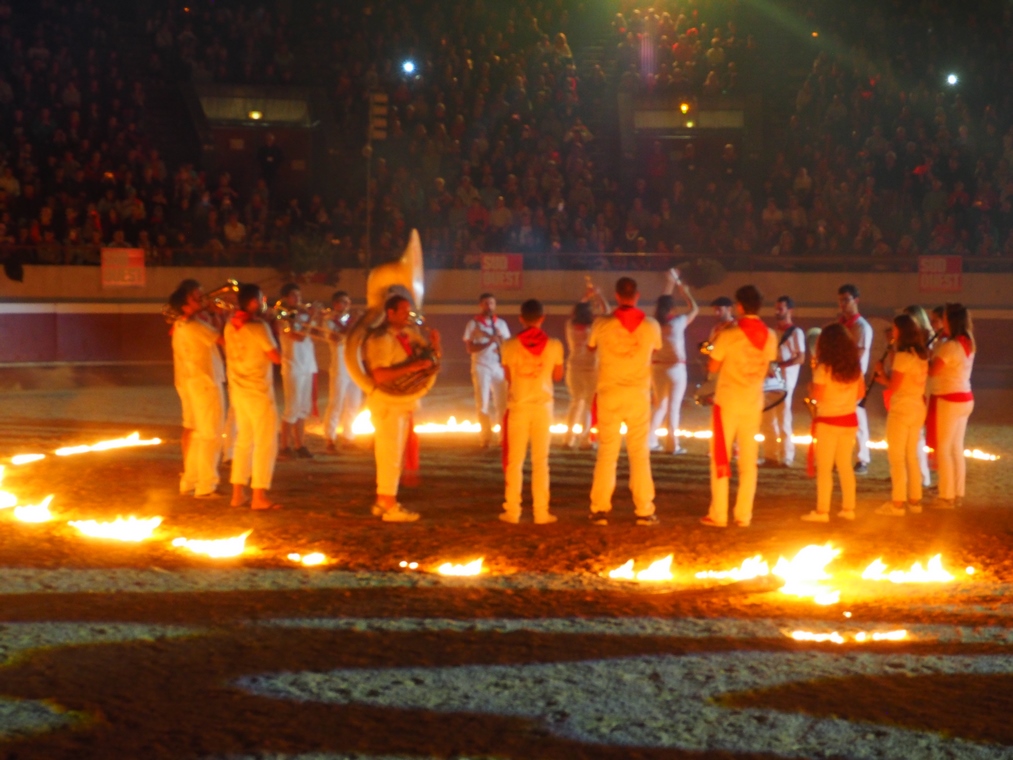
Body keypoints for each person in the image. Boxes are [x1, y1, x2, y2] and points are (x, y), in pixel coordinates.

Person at [587, 277, 662, 526]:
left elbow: (590, 347)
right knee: (639, 454)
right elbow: (655, 350)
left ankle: (599, 509)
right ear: (637, 295)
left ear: (617, 296)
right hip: (638, 395)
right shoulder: (651, 325)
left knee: (607, 453)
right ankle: (644, 510)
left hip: (609, 393)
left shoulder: (602, 323)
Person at [700, 285, 777, 528]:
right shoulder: (770, 335)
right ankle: (744, 514)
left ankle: (719, 513)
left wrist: (712, 351)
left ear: (740, 306)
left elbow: (713, 366)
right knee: (748, 461)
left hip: (728, 401)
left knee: (720, 457)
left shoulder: (729, 333)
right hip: (753, 402)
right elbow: (767, 366)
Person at [364, 294, 442, 522]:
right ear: (390, 313)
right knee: (389, 455)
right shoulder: (381, 339)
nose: (409, 315)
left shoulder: (407, 334)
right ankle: (390, 505)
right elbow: (379, 375)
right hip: (388, 404)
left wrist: (435, 344)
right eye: (404, 311)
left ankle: (383, 500)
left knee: (393, 455)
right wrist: (412, 367)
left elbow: (431, 359)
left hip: (401, 403)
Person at [499, 299, 565, 524]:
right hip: (543, 407)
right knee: (540, 461)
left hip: (518, 405)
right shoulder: (554, 345)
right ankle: (541, 512)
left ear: (521, 318)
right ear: (542, 318)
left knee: (515, 461)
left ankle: (513, 511)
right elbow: (558, 376)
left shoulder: (509, 345)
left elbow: (508, 377)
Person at [224, 283, 282, 511]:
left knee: (243, 441)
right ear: (253, 302)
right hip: (258, 391)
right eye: (261, 299)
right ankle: (259, 495)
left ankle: (238, 493)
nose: (264, 302)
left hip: (239, 390)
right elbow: (276, 357)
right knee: (265, 442)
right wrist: (275, 329)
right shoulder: (259, 327)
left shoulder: (230, 326)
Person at [801, 323, 864, 522]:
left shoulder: (824, 368)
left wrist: (811, 387)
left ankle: (822, 511)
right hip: (849, 420)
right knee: (845, 465)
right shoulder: (854, 367)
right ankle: (848, 508)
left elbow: (818, 396)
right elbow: (860, 393)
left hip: (828, 421)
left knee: (825, 468)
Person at [171, 280, 226, 498]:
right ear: (184, 306)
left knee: (197, 433)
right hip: (206, 382)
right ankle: (206, 484)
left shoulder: (180, 325)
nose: (200, 300)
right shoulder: (195, 326)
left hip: (192, 383)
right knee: (210, 434)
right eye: (195, 298)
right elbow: (224, 340)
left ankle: (191, 480)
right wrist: (225, 316)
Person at [873, 314, 929, 516]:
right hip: (917, 407)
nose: (893, 332)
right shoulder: (921, 356)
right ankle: (915, 500)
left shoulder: (903, 357)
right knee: (911, 456)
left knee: (897, 457)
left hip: (901, 408)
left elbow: (894, 385)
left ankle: (897, 503)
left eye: (895, 328)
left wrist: (881, 374)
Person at [927, 303, 975, 509]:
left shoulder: (950, 346)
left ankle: (946, 495)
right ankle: (957, 492)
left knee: (944, 448)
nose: (942, 322)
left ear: (951, 321)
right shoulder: (968, 342)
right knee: (956, 447)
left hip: (949, 398)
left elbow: (933, 371)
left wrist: (923, 355)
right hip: (965, 397)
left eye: (944, 318)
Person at [649, 268, 698, 454]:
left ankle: (649, 441)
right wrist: (685, 292)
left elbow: (662, 305)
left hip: (657, 368)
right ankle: (672, 445)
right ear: (672, 309)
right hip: (676, 369)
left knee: (659, 406)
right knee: (673, 408)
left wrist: (670, 283)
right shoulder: (677, 323)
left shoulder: (654, 324)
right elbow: (694, 309)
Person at [760, 295, 806, 467]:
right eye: (776, 308)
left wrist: (780, 366)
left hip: (786, 381)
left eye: (781, 308)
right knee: (768, 418)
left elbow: (801, 357)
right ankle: (771, 455)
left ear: (790, 311)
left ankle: (787, 456)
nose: (777, 312)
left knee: (783, 417)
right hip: (770, 379)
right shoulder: (772, 332)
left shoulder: (795, 332)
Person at [563, 280, 609, 449]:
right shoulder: (595, 326)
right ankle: (585, 439)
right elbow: (607, 312)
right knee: (589, 404)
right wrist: (598, 295)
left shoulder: (570, 325)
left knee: (575, 402)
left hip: (574, 366)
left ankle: (568, 439)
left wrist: (586, 296)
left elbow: (576, 311)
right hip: (591, 367)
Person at [316, 290, 362, 452]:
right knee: (336, 402)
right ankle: (330, 438)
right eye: (344, 302)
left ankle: (348, 437)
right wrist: (354, 322)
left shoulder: (353, 320)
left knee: (354, 403)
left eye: (348, 302)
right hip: (340, 366)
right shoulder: (329, 320)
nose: (347, 305)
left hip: (355, 365)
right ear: (336, 304)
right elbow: (336, 338)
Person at [463, 293, 511, 447]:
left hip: (498, 365)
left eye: (491, 303)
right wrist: (489, 341)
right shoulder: (472, 324)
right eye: (485, 303)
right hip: (481, 365)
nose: (489, 306)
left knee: (502, 403)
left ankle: (503, 437)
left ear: (495, 305)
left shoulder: (501, 324)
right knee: (482, 402)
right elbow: (470, 348)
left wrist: (500, 344)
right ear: (480, 305)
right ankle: (485, 437)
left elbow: (508, 346)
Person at [276, 282, 317, 459]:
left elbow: (315, 334)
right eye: (294, 295)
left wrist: (313, 318)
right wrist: (311, 318)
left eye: (299, 295)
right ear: (285, 298)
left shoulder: (302, 316)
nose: (298, 299)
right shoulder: (282, 316)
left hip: (307, 365)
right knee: (292, 408)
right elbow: (298, 337)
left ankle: (300, 444)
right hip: (293, 366)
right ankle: (284, 446)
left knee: (303, 408)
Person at [837, 284, 873, 474]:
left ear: (856, 301)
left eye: (846, 300)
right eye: (841, 300)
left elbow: (858, 353)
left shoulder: (861, 326)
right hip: (840, 375)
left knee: (857, 418)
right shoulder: (843, 325)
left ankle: (862, 459)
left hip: (853, 377)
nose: (843, 304)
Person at [903, 304, 935, 489]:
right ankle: (914, 474)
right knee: (912, 434)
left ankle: (922, 476)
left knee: (916, 434)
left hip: (923, 387)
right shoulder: (914, 339)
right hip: (916, 386)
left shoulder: (928, 338)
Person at [171, 278, 199, 466]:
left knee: (194, 424)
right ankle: (190, 466)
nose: (200, 299)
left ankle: (192, 465)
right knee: (192, 424)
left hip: (190, 378)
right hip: (190, 379)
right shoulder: (185, 323)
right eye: (196, 296)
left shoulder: (188, 322)